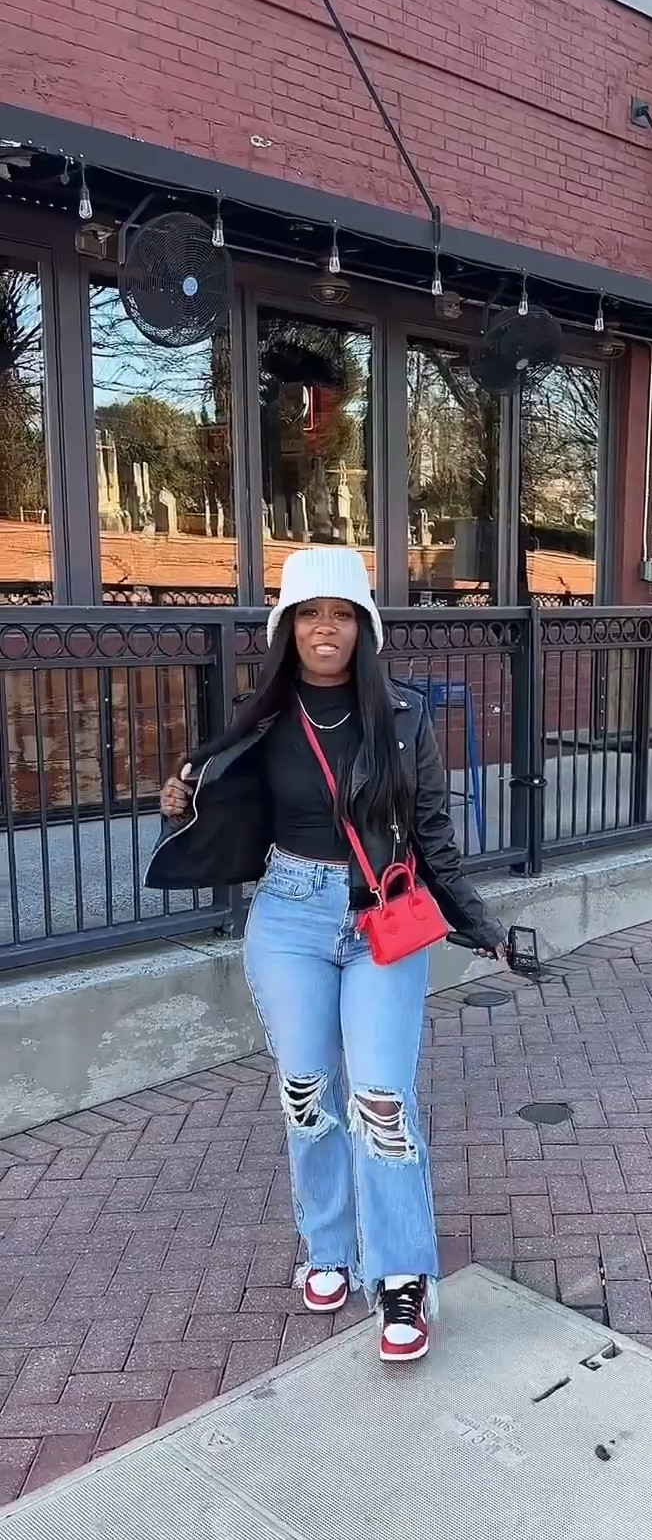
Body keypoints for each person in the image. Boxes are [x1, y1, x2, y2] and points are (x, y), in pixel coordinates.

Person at [147, 546, 507, 1363]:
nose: (325, 630)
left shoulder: (405, 717)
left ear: (364, 628)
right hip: (289, 920)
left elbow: (435, 841)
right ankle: (330, 1249)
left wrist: (482, 926)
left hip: (379, 923)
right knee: (307, 1095)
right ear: (287, 627)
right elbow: (210, 813)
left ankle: (403, 1276)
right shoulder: (260, 721)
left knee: (382, 1100)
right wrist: (176, 805)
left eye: (342, 615)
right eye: (310, 614)